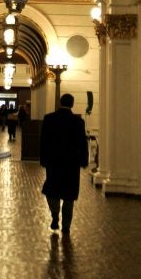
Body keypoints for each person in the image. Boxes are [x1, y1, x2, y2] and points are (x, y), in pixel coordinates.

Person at [40, 93, 88, 233]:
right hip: (71, 164)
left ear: (60, 103)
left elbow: (43, 141)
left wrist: (43, 159)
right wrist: (83, 160)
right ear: (72, 104)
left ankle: (55, 214)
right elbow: (82, 143)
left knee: (51, 190)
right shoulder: (78, 122)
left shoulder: (49, 119)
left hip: (53, 162)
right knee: (69, 195)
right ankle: (66, 226)